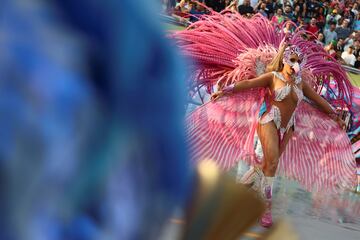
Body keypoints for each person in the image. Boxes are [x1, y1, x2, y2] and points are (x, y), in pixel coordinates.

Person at [173, 11, 356, 229]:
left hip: (287, 128)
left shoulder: (301, 85)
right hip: (269, 120)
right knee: (272, 162)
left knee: (266, 166)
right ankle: (266, 207)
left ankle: (233, 197)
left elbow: (319, 101)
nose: (296, 64)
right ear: (285, 61)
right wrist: (226, 90)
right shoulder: (273, 77)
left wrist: (334, 114)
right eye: (293, 60)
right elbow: (249, 85)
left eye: (299, 61)